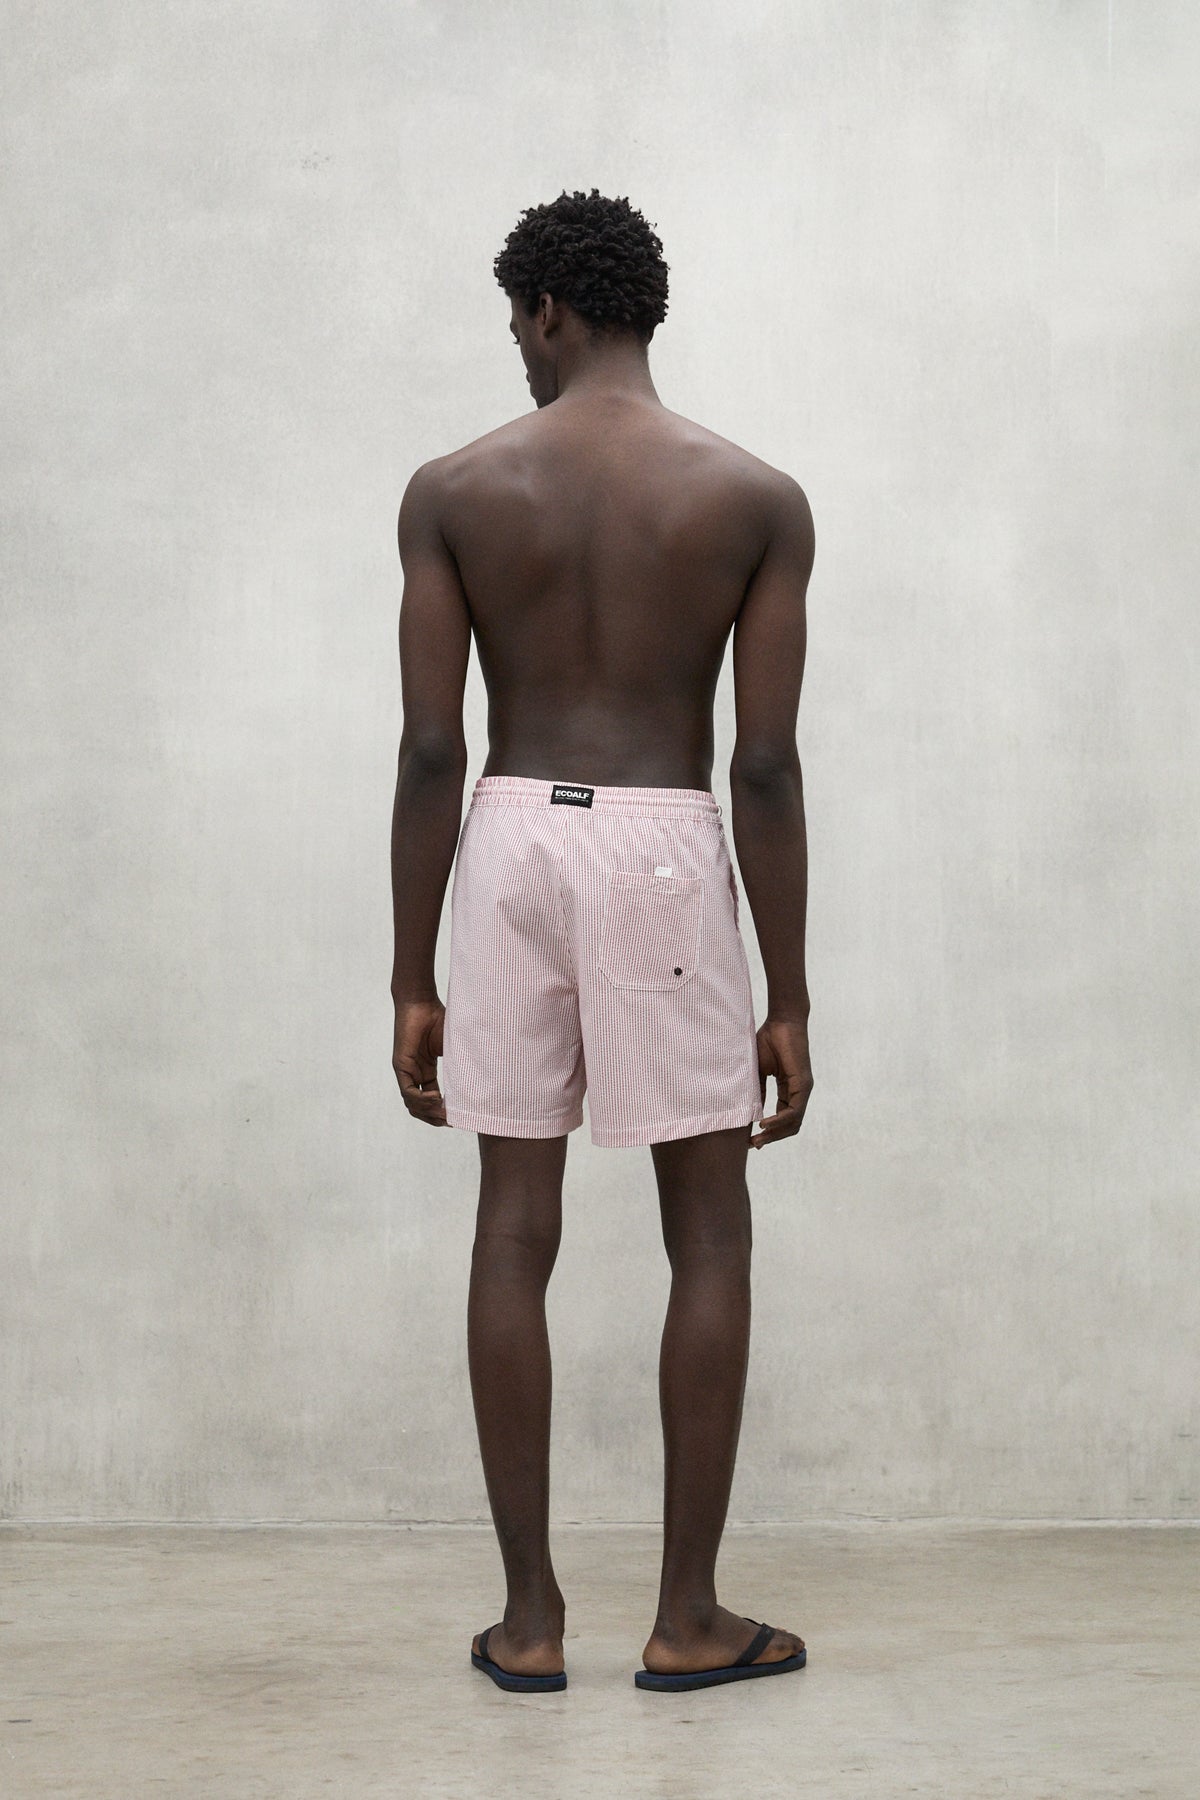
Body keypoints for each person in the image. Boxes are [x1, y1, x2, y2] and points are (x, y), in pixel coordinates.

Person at [390, 189, 814, 1694]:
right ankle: (688, 1620)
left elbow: (430, 749)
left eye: (518, 323)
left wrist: (411, 972)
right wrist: (790, 993)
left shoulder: (453, 489)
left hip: (510, 833)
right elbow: (764, 766)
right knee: (708, 1228)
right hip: (661, 844)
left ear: (550, 309)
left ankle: (529, 1622)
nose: (517, 348)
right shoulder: (753, 498)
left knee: (515, 1225)